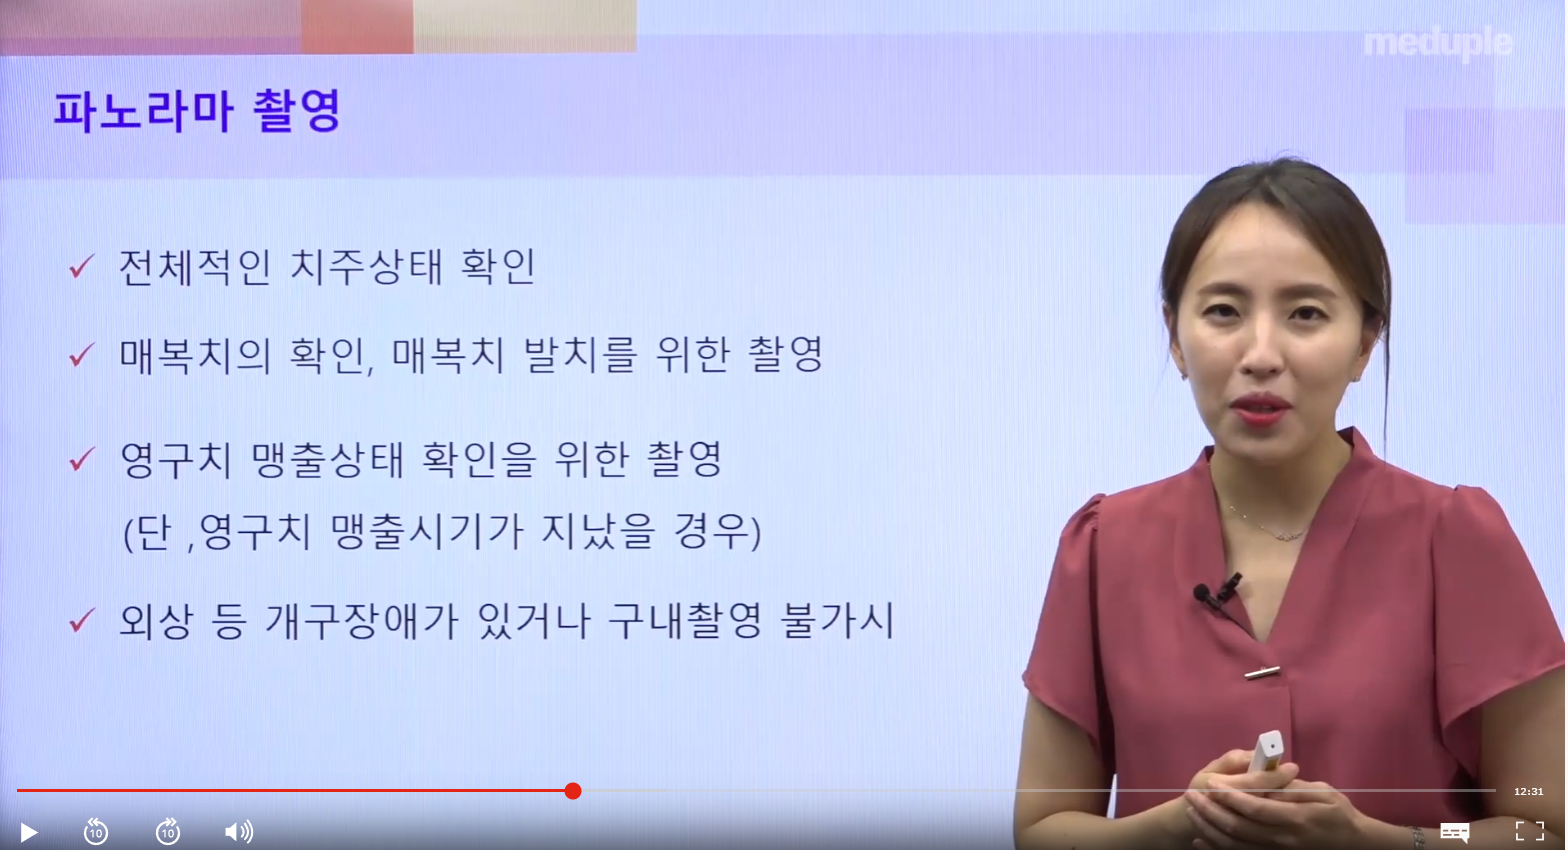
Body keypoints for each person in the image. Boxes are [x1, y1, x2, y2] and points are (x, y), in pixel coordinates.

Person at [1011, 158, 1564, 850]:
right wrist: (1179, 823)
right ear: (1175, 337)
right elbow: (1044, 829)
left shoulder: (1456, 539)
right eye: (1223, 312)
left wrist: (1386, 842)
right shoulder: (1103, 546)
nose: (1262, 354)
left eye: (1306, 314)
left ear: (1364, 343)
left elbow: (1540, 830)